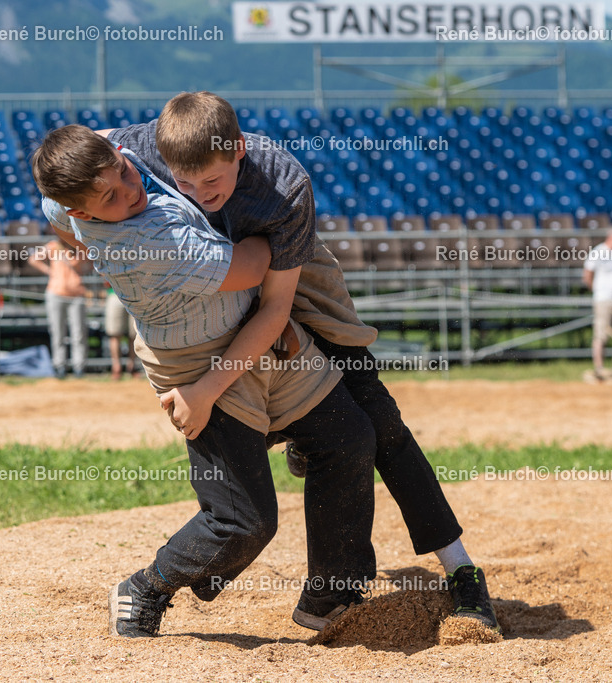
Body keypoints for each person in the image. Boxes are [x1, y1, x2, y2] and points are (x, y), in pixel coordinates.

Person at [97, 91, 499, 631]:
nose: (198, 196)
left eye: (212, 183)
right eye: (183, 184)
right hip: (219, 305)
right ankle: (168, 575)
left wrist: (274, 320)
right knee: (250, 499)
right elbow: (64, 173)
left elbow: (279, 306)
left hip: (295, 286)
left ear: (237, 149)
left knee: (377, 423)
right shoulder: (138, 148)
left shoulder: (285, 186)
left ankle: (458, 570)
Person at [32, 125, 378, 638]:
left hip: (258, 336)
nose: (131, 190)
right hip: (198, 367)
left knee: (349, 440)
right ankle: (147, 586)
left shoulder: (67, 205)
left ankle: (331, 596)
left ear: (123, 153)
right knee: (244, 523)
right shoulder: (152, 242)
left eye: (125, 172)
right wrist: (280, 209)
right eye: (109, 196)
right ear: (85, 214)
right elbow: (258, 262)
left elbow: (56, 208)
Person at [27, 239, 89, 377]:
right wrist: (49, 271)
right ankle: (59, 366)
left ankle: (79, 367)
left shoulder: (79, 247)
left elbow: (87, 266)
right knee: (57, 332)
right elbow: (33, 259)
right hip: (56, 293)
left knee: (79, 333)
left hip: (77, 294)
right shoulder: (53, 246)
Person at [583, 227, 612, 380]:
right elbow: (588, 274)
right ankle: (599, 367)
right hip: (604, 299)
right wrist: (596, 290)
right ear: (611, 237)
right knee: (601, 334)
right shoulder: (598, 251)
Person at [104, 287, 136, 380]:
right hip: (114, 294)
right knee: (114, 334)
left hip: (135, 295)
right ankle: (116, 368)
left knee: (134, 334)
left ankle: (132, 367)